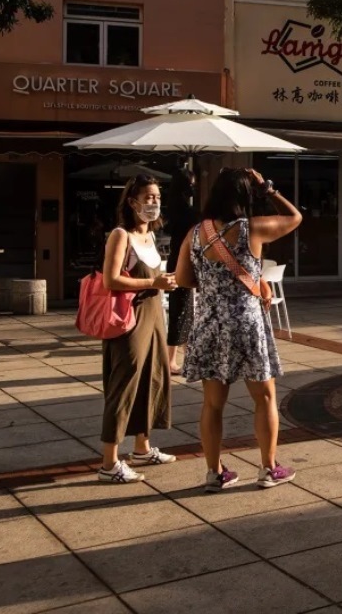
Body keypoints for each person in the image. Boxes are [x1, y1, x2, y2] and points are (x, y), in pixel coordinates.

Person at [175, 167, 302, 492]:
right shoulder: (251, 229)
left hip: (209, 324)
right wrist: (268, 187)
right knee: (264, 397)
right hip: (245, 324)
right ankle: (269, 468)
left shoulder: (195, 233)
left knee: (212, 404)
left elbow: (183, 279)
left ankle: (214, 473)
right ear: (246, 196)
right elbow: (294, 217)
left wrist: (216, 283)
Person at [98, 175, 178, 484]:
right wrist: (152, 282)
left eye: (157, 197)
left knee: (152, 378)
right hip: (130, 319)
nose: (154, 203)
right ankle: (109, 462)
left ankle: (142, 448)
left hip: (155, 314)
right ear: (132, 202)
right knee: (125, 384)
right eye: (148, 197)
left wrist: (164, 281)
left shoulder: (150, 237)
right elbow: (110, 280)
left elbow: (153, 276)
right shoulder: (121, 235)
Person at [164, 166, 198, 375]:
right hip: (183, 263)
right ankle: (170, 360)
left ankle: (188, 354)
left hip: (175, 261)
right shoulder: (187, 212)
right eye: (192, 185)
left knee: (185, 310)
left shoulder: (173, 208)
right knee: (181, 311)